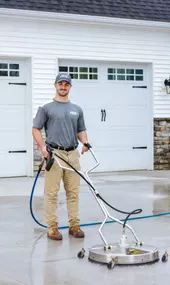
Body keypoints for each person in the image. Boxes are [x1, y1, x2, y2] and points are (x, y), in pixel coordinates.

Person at [32, 73, 89, 240]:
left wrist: (85, 142)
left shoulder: (77, 109)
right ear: (55, 85)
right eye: (60, 83)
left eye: (66, 84)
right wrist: (43, 148)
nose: (63, 86)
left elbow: (81, 130)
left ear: (70, 87)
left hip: (73, 154)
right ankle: (52, 228)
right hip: (54, 154)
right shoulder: (46, 108)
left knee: (73, 192)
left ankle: (74, 226)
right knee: (52, 193)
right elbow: (35, 129)